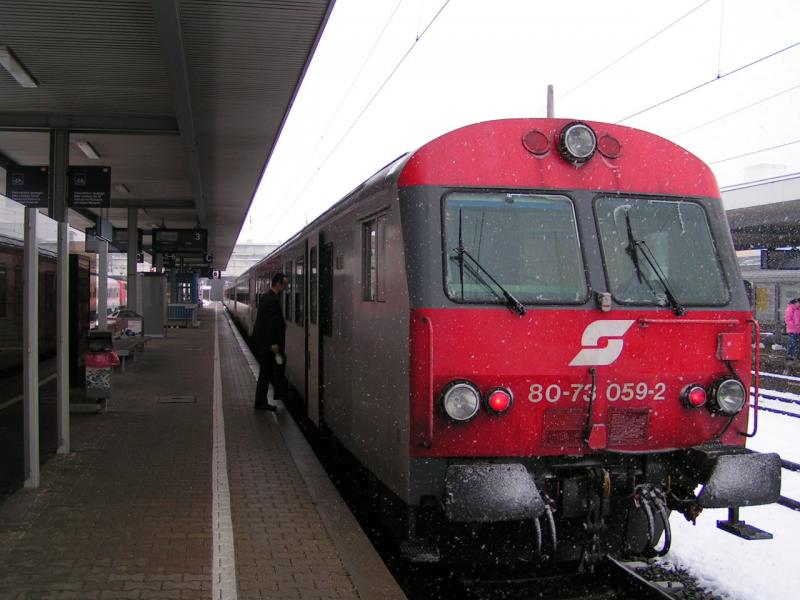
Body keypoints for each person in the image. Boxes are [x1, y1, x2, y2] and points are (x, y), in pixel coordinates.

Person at [253, 272, 288, 411]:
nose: (285, 287)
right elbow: (271, 323)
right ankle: (262, 402)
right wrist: (273, 343)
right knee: (266, 373)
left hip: (264, 343)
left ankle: (263, 400)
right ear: (278, 284)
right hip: (269, 345)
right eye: (284, 285)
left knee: (266, 373)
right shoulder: (272, 299)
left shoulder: (266, 297)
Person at [785, 297, 800, 363]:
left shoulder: (798, 309)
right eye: (799, 303)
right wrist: (793, 326)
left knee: (798, 343)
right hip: (792, 330)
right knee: (792, 342)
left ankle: (797, 355)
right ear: (795, 302)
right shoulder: (790, 308)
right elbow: (788, 318)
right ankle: (790, 355)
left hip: (798, 329)